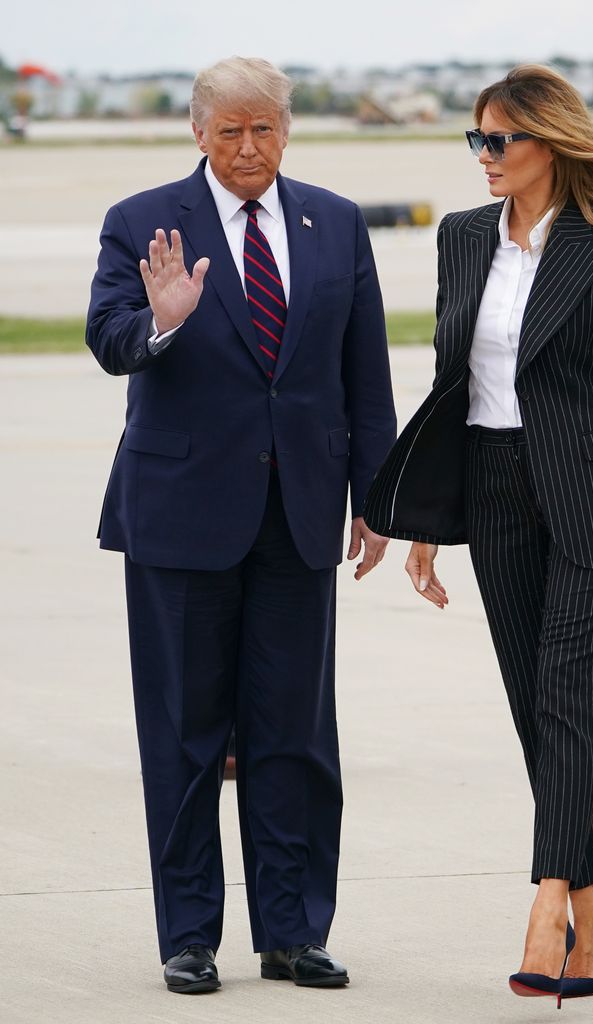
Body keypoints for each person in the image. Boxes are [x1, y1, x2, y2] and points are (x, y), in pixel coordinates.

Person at [363, 64, 593, 1005]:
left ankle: (549, 904)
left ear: (548, 143)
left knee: (562, 688)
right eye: (476, 140)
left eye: (498, 140)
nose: (484, 157)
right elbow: (446, 376)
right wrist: (426, 517)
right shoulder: (462, 237)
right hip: (494, 488)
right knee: (529, 702)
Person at [87, 56, 396, 994]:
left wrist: (375, 498)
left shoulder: (335, 222)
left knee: (294, 733)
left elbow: (363, 372)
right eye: (230, 130)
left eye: (263, 128)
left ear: (286, 128)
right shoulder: (141, 222)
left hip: (298, 513)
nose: (248, 147)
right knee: (183, 733)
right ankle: (189, 936)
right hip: (181, 519)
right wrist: (164, 322)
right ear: (198, 133)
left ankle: (293, 931)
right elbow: (109, 337)